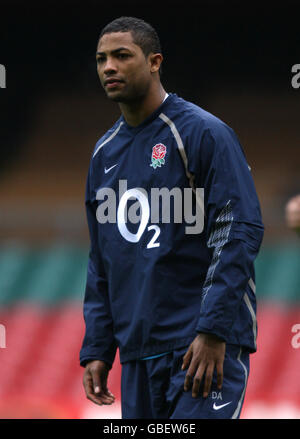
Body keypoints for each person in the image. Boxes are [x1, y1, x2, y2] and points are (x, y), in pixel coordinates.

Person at [79, 16, 264, 419]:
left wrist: (213, 330)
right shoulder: (103, 154)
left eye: (121, 55)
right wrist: (98, 346)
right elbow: (102, 259)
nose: (108, 66)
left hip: (200, 346)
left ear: (154, 61)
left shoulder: (203, 133)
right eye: (101, 59)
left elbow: (238, 231)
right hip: (139, 355)